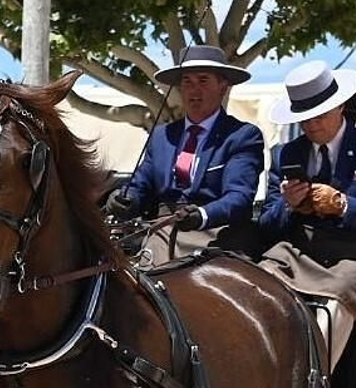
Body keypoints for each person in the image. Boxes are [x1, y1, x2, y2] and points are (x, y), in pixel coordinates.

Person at [255, 61, 356, 369]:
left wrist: (343, 205)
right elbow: (266, 226)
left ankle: (311, 382)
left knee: (332, 305)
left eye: (320, 116)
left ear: (340, 106)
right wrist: (288, 205)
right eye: (305, 119)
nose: (312, 125)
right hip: (297, 254)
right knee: (254, 284)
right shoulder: (285, 154)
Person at [103, 45, 264, 260]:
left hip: (218, 236)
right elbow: (141, 183)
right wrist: (125, 198)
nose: (194, 90)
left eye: (203, 81)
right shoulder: (162, 136)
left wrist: (202, 215)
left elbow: (239, 197)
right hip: (161, 235)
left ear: (223, 87)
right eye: (187, 82)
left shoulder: (242, 135)